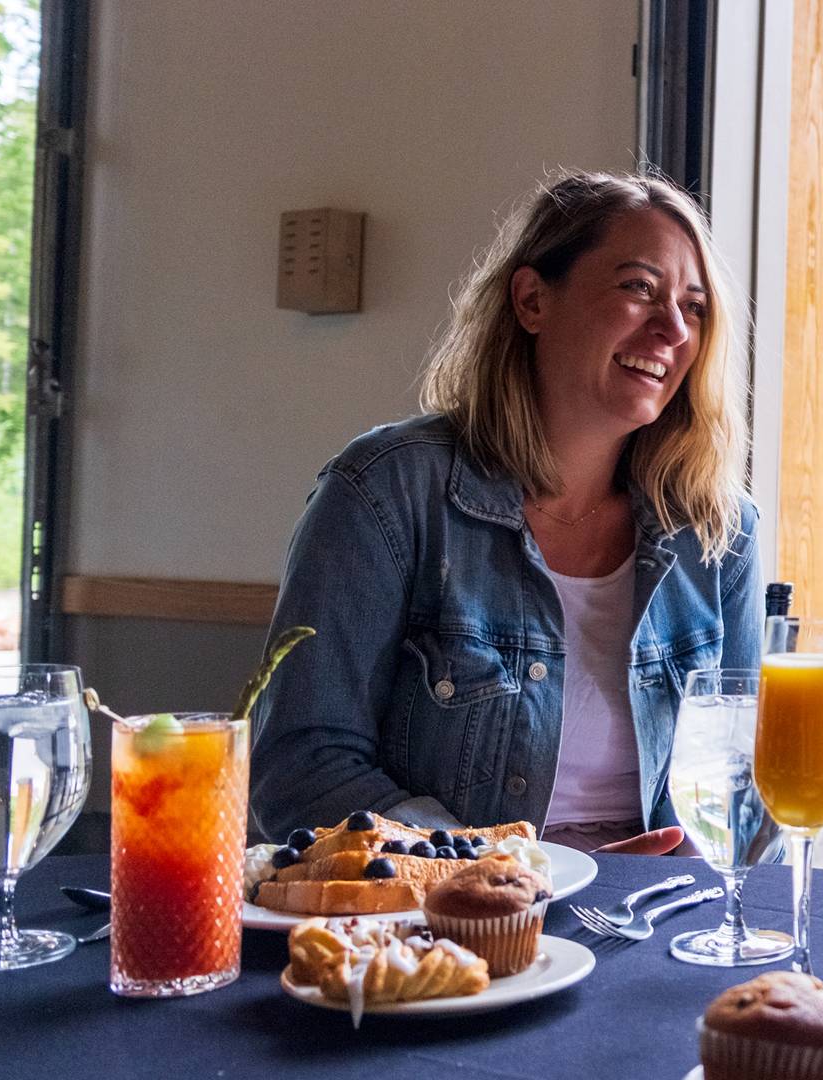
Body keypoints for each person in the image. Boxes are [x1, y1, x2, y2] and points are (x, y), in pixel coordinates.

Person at [250, 172, 757, 857]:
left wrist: (706, 860)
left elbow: (752, 782)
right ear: (531, 300)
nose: (672, 328)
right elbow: (302, 764)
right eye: (639, 288)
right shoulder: (388, 490)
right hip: (446, 908)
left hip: (660, 905)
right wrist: (504, 868)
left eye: (694, 307)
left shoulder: (719, 529)